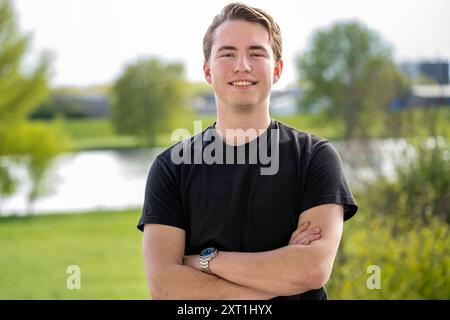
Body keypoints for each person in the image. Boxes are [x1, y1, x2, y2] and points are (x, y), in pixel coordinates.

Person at [137, 2, 358, 300]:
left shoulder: (315, 157)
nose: (242, 65)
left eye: (256, 53)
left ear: (277, 69)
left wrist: (205, 262)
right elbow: (164, 288)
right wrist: (275, 279)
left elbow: (311, 270)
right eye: (227, 54)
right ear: (207, 71)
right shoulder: (171, 168)